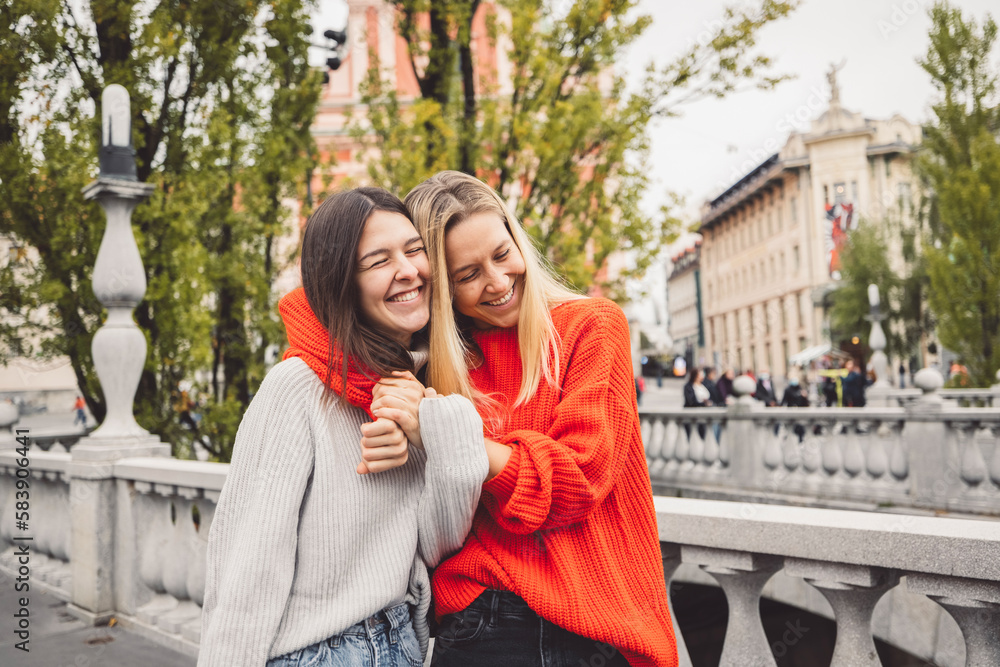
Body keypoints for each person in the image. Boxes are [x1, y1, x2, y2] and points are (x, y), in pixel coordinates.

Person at [198, 188, 490, 667]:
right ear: (342, 283)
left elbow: (439, 545)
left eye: (414, 250)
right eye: (378, 261)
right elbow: (247, 566)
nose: (408, 270)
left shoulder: (417, 389)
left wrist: (436, 426)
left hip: (401, 644)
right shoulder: (299, 386)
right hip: (316, 651)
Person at [396, 171, 677, 666]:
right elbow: (317, 323)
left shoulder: (592, 325)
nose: (499, 282)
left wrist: (452, 435)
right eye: (468, 275)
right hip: (483, 618)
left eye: (502, 254)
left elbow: (578, 478)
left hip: (595, 628)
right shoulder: (433, 361)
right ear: (441, 288)